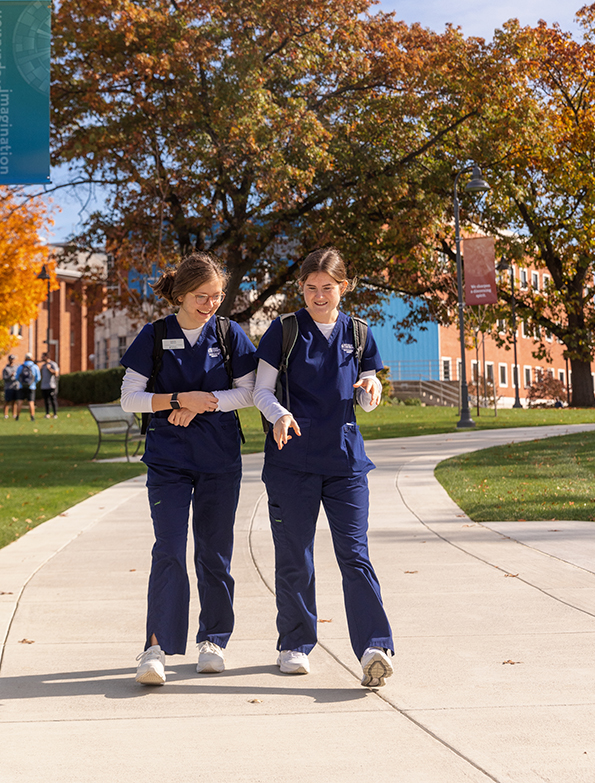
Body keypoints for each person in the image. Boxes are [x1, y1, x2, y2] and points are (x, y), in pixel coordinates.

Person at [253, 246, 395, 688]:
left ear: (343, 288)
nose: (319, 296)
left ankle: (375, 646)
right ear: (301, 288)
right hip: (291, 461)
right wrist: (279, 414)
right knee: (296, 556)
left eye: (328, 288)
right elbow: (261, 390)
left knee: (355, 555)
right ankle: (295, 643)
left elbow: (368, 394)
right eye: (311, 288)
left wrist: (371, 388)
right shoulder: (284, 330)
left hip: (345, 462)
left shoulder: (360, 331)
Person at [119, 252, 257, 686]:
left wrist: (202, 402)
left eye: (217, 296)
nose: (211, 304)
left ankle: (213, 640)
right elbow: (129, 398)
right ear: (180, 293)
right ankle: (155, 648)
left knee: (214, 553)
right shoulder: (155, 335)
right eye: (202, 296)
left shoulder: (229, 333)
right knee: (169, 550)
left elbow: (251, 392)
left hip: (219, 459)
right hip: (169, 461)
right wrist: (180, 401)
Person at [15, 354, 40, 422]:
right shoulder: (35, 366)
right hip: (31, 387)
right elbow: (38, 378)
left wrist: (21, 383)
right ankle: (32, 417)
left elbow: (16, 377)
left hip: (21, 386)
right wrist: (33, 383)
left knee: (20, 402)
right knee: (31, 402)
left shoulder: (20, 366)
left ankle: (17, 416)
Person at [2, 355, 19, 419]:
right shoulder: (6, 369)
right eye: (11, 359)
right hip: (8, 387)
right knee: (7, 401)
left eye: (13, 359)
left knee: (14, 401)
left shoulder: (17, 368)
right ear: (9, 360)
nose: (12, 360)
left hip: (15, 387)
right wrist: (10, 376)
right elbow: (4, 378)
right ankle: (5, 415)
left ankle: (14, 414)